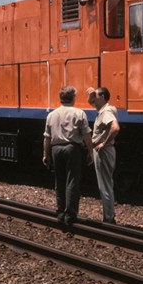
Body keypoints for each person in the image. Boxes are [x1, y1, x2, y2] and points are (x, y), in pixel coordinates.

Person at [42, 86, 93, 226]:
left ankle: (60, 213)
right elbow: (86, 135)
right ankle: (70, 215)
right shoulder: (79, 113)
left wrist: (45, 154)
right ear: (73, 98)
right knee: (72, 180)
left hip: (56, 149)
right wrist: (91, 152)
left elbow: (47, 137)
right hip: (72, 149)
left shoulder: (51, 115)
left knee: (60, 181)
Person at [87, 87, 121, 224]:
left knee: (105, 185)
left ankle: (109, 218)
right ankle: (109, 215)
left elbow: (115, 128)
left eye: (95, 95)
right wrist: (90, 95)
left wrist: (103, 144)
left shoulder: (106, 111)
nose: (93, 98)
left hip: (104, 151)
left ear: (102, 97)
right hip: (104, 150)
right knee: (107, 184)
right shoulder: (104, 109)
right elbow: (91, 102)